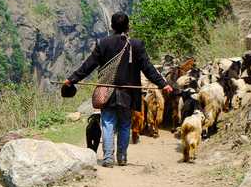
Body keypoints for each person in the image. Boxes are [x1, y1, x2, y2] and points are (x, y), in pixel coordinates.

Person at [63, 12, 173, 167]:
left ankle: (108, 158)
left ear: (112, 26)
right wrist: (163, 84)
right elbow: (148, 68)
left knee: (108, 123)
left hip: (107, 92)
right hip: (128, 93)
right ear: (128, 26)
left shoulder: (103, 44)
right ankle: (122, 157)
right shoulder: (136, 45)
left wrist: (72, 79)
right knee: (125, 124)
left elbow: (88, 65)